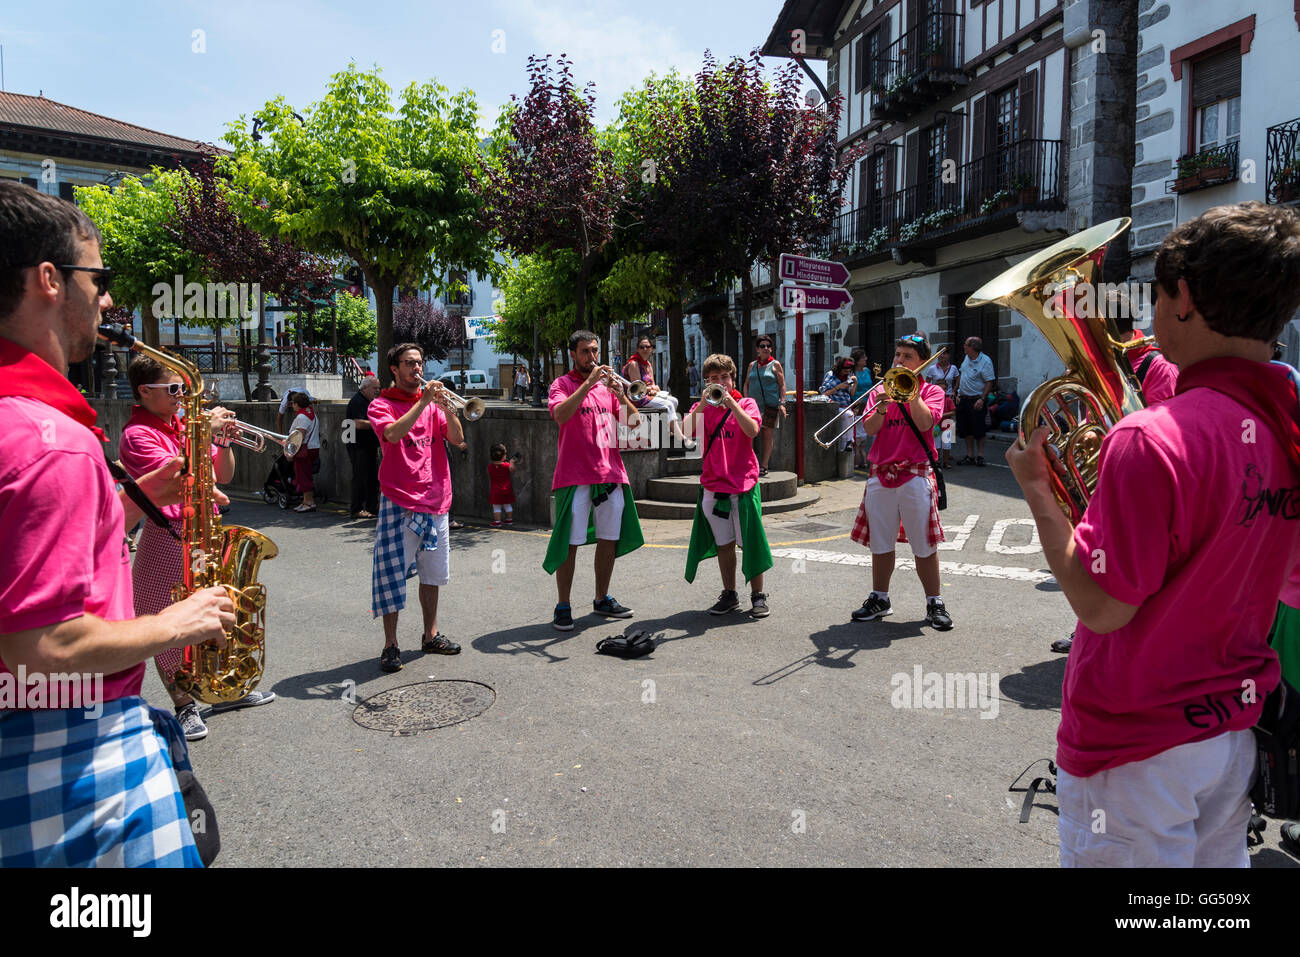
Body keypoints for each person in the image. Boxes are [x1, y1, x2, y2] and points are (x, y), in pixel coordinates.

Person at [1006, 201, 1300, 867]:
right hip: (1229, 734)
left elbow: (1103, 607)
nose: (1151, 314)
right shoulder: (1289, 429)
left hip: (1136, 747)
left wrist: (1037, 490)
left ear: (1186, 299)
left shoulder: (1150, 437)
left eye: (1160, 295)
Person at [0, 180, 235, 866]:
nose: (106, 300)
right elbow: (41, 646)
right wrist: (181, 621)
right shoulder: (50, 438)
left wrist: (139, 493)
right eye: (96, 279)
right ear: (48, 279)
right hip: (76, 764)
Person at [118, 356, 276, 742]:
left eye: (183, 389)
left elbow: (223, 476)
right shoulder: (138, 434)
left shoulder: (184, 426)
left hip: (203, 531)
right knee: (162, 615)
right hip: (167, 533)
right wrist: (206, 433)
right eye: (174, 389)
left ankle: (225, 684)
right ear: (144, 392)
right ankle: (184, 703)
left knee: (219, 609)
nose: (182, 397)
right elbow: (179, 476)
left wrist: (219, 439)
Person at [368, 343, 464, 672]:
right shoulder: (381, 404)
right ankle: (391, 644)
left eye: (420, 362)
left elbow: (456, 437)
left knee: (433, 574)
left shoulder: (432, 405)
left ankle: (430, 634)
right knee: (391, 576)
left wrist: (446, 405)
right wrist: (423, 402)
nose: (416, 369)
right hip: (400, 500)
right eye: (409, 363)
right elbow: (392, 434)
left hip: (436, 499)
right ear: (394, 369)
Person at [848, 333, 952, 631]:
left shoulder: (932, 391)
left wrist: (911, 393)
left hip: (916, 474)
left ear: (922, 362)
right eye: (897, 355)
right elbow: (869, 428)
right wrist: (881, 406)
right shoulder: (880, 391)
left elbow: (925, 423)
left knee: (924, 543)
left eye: (907, 357)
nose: (899, 361)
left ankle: (935, 602)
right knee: (880, 542)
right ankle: (880, 598)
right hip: (881, 473)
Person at [544, 329, 646, 631]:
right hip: (575, 474)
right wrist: (588, 383)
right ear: (572, 354)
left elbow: (634, 421)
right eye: (586, 351)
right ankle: (563, 604)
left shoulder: (606, 388)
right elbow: (560, 415)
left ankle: (601, 598)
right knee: (570, 542)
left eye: (595, 350)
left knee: (608, 538)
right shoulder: (561, 384)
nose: (592, 357)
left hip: (610, 471)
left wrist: (620, 395)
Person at [682, 354, 773, 617]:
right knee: (724, 543)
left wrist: (733, 404)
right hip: (714, 485)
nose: (719, 382)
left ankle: (758, 596)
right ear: (707, 381)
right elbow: (684, 432)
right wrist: (700, 405)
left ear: (732, 379)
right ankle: (730, 593)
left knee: (750, 543)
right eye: (713, 378)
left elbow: (753, 430)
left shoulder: (747, 403)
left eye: (724, 377)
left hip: (742, 484)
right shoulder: (704, 407)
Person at [622, 336, 693, 448]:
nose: (645, 349)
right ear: (637, 349)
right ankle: (681, 437)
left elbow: (652, 385)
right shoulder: (634, 364)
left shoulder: (648, 364)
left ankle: (668, 429)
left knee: (674, 400)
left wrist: (653, 389)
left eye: (647, 347)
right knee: (668, 404)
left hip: (648, 395)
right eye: (642, 347)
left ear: (651, 349)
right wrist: (653, 389)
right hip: (637, 399)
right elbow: (639, 387)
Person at [744, 335, 787, 476]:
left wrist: (782, 402)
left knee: (767, 434)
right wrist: (745, 400)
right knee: (749, 434)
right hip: (753, 407)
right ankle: (750, 463)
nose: (766, 348)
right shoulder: (752, 365)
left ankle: (764, 465)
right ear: (757, 349)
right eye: (762, 346)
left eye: (768, 346)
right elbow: (746, 384)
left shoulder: (775, 364)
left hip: (770, 406)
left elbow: (782, 385)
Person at [345, 375, 381, 519]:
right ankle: (357, 508)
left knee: (372, 477)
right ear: (365, 387)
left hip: (367, 445)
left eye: (378, 388)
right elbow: (357, 423)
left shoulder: (367, 400)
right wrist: (380, 424)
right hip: (358, 445)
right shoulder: (358, 401)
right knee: (360, 477)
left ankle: (372, 507)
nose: (377, 391)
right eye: (374, 388)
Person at [954, 336, 995, 465]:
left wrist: (982, 399)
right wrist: (956, 391)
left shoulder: (985, 361)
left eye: (966, 345)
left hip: (976, 399)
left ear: (973, 347)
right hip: (964, 398)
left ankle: (980, 455)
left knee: (979, 428)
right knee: (966, 428)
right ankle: (970, 455)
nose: (964, 346)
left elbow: (989, 381)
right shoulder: (967, 358)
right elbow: (962, 374)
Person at [288, 391, 320, 513]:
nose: (291, 405)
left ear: (297, 404)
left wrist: (290, 452)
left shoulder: (302, 417)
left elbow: (299, 436)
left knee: (303, 476)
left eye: (292, 403)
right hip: (312, 448)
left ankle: (309, 502)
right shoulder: (311, 414)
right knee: (306, 474)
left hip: (304, 450)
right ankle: (306, 501)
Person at [819, 356, 858, 454]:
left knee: (845, 427)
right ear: (840, 368)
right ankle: (850, 441)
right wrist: (838, 387)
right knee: (849, 415)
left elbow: (852, 393)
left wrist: (856, 382)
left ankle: (846, 447)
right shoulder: (831, 375)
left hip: (846, 404)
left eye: (849, 371)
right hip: (835, 405)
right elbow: (823, 392)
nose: (847, 373)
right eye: (845, 371)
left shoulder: (848, 377)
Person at [851, 348, 874, 472]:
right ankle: (858, 460)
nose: (866, 359)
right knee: (859, 429)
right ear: (857, 361)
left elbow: (870, 385)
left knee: (867, 429)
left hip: (869, 402)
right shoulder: (852, 374)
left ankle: (867, 457)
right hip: (858, 403)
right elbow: (852, 391)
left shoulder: (868, 371)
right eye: (863, 358)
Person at [488, 442, 516, 527]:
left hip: (495, 491)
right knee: (507, 505)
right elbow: (512, 470)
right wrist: (512, 462)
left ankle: (497, 522)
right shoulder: (507, 465)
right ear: (503, 456)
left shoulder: (490, 467)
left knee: (496, 507)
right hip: (507, 489)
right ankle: (509, 520)